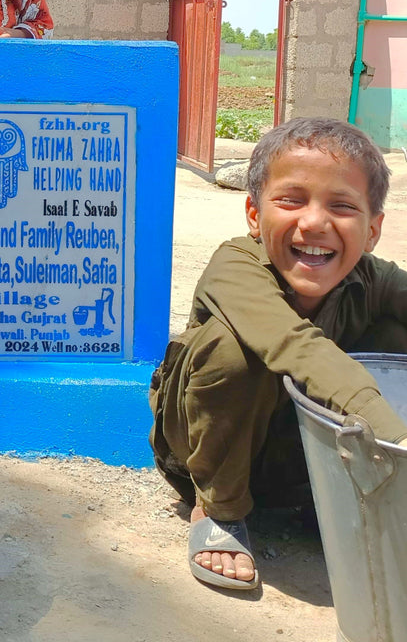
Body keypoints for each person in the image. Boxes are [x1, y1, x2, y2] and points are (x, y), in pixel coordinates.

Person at [150, 117, 407, 592]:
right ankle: (220, 511)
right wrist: (398, 437)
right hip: (206, 455)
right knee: (233, 348)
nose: (314, 222)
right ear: (254, 214)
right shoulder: (235, 266)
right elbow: (296, 346)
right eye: (291, 200)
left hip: (298, 466)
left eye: (342, 206)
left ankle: (338, 498)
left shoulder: (372, 278)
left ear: (372, 230)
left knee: (395, 335)